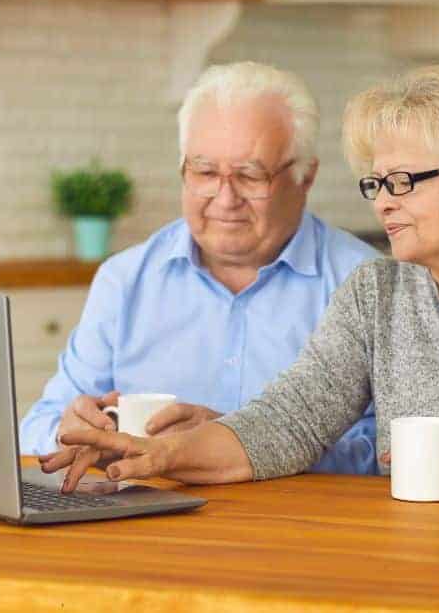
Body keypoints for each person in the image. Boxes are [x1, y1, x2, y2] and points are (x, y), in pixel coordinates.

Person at [43, 64, 439, 498]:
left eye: (405, 181)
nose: (384, 202)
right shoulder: (377, 293)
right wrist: (159, 454)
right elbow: (287, 421)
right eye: (377, 182)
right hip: (416, 568)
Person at [20, 61, 382, 474]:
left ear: (305, 177)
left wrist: (238, 444)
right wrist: (72, 432)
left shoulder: (365, 285)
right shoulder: (125, 280)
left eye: (250, 175)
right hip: (144, 528)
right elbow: (36, 426)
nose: (225, 198)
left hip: (300, 531)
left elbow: (390, 454)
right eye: (205, 172)